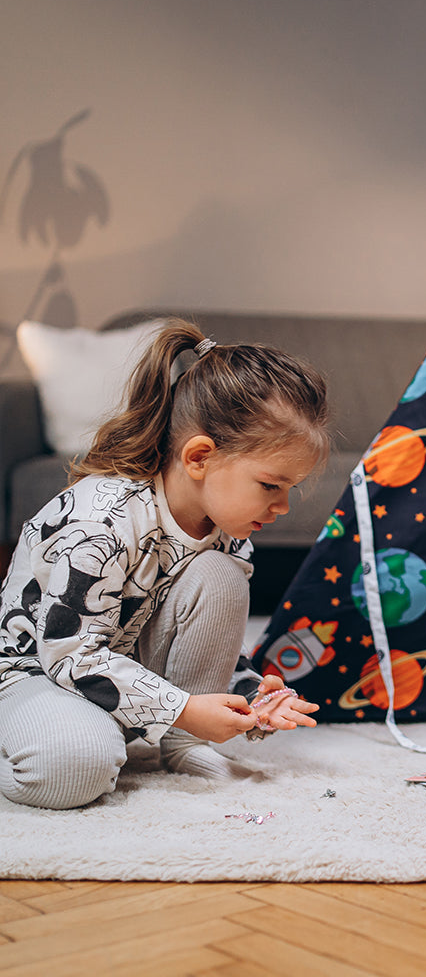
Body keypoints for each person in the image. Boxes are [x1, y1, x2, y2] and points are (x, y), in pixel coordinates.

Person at [0, 320, 330, 810]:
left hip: (118, 667)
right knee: (73, 771)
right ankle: (39, 736)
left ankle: (181, 744)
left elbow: (194, 645)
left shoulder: (227, 532)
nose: (282, 506)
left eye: (290, 490)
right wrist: (182, 708)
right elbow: (69, 656)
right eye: (270, 485)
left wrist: (252, 695)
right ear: (199, 456)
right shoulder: (102, 520)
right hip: (38, 673)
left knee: (219, 576)